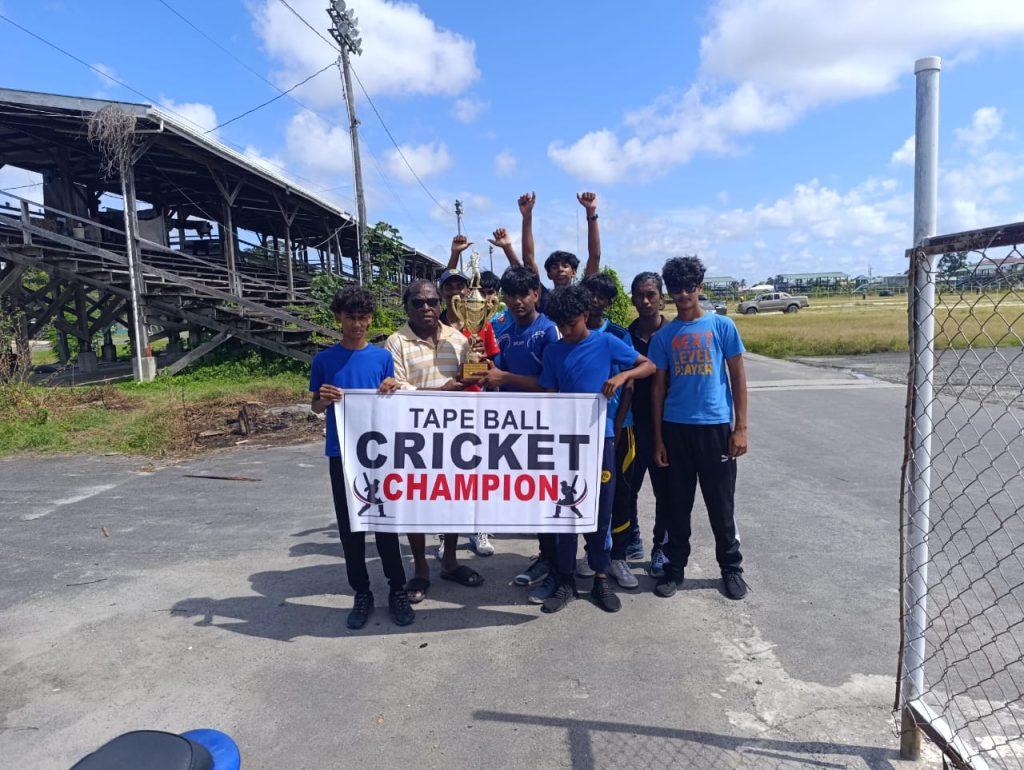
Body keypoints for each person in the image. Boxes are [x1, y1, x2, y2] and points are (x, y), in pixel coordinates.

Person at [539, 284, 655, 614]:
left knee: (600, 510)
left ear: (586, 315)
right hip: (563, 443)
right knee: (563, 509)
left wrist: (622, 378)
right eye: (560, 324)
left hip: (600, 440)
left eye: (572, 323)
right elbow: (548, 392)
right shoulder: (554, 351)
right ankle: (565, 580)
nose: (566, 330)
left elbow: (648, 366)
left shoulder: (606, 342)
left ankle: (600, 576)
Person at [310, 286, 414, 629]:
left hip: (378, 455)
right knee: (350, 527)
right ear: (338, 317)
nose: (357, 324)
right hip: (341, 453)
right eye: (351, 317)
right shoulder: (323, 360)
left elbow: (391, 395)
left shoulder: (382, 357)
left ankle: (397, 590)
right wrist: (323, 399)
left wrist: (390, 388)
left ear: (371, 319)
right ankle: (362, 592)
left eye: (363, 317)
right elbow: (315, 405)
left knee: (385, 525)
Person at [650, 256, 750, 601]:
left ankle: (731, 569)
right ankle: (674, 568)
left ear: (700, 287)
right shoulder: (665, 335)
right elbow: (659, 388)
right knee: (677, 506)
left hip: (715, 429)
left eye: (689, 287)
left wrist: (741, 428)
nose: (683, 295)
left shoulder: (722, 326)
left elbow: (738, 377)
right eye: (675, 289)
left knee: (721, 506)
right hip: (676, 429)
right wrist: (659, 439)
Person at [384, 279, 485, 602]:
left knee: (452, 498)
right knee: (416, 502)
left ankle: (451, 560)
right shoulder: (396, 342)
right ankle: (420, 569)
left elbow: (470, 378)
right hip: (413, 435)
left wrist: (479, 362)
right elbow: (396, 387)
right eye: (418, 303)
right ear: (407, 307)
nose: (426, 308)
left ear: (442, 304)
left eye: (431, 302)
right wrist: (438, 393)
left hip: (454, 434)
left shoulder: (459, 337)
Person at [478, 266, 560, 601]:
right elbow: (494, 371)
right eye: (510, 295)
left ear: (537, 294)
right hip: (512, 428)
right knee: (532, 497)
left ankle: (557, 564)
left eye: (524, 294)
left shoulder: (550, 331)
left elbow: (551, 386)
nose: (517, 301)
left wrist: (503, 378)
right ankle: (546, 556)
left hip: (547, 426)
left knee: (551, 496)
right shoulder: (500, 328)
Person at [577, 272, 642, 590]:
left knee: (621, 495)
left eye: (601, 296)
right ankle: (592, 554)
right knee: (586, 494)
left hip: (618, 428)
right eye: (589, 294)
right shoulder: (572, 335)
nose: (594, 300)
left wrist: (617, 426)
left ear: (609, 302)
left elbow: (630, 381)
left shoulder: (617, 334)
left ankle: (618, 557)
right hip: (582, 432)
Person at [440, 235, 501, 558]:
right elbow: (442, 279)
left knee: (478, 470)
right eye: (449, 286)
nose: (455, 291)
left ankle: (480, 528)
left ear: (467, 290)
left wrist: (482, 365)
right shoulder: (434, 324)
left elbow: (493, 362)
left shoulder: (483, 323)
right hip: (444, 406)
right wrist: (452, 256)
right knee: (445, 473)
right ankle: (443, 534)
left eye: (459, 286)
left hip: (477, 403)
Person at [625, 272, 673, 577]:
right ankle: (631, 536)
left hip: (668, 426)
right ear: (632, 299)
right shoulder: (623, 335)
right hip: (631, 425)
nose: (645, 301)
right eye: (640, 295)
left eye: (651, 294)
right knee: (627, 488)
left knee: (665, 492)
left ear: (661, 298)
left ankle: (661, 548)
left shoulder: (674, 333)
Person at [516, 191, 603, 312]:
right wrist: (527, 216)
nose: (560, 269)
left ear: (574, 272)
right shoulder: (542, 296)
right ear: (549, 275)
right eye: (555, 267)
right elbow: (528, 259)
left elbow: (595, 256)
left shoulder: (582, 295)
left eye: (565, 266)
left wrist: (591, 212)